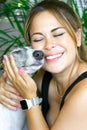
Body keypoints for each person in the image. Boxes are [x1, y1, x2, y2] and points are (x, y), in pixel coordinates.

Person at [1, 0, 87, 129]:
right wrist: (2, 85)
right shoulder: (43, 78)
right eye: (38, 39)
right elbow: (13, 85)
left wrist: (30, 99)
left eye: (58, 34)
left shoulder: (84, 92)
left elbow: (27, 96)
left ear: (78, 37)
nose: (48, 45)